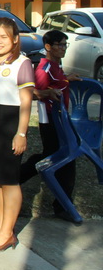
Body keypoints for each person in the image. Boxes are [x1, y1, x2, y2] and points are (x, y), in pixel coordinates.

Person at [0, 17, 34, 251]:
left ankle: (8, 232)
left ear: (15, 39)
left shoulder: (23, 63)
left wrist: (21, 133)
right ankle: (1, 227)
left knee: (10, 180)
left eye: (4, 37)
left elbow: (26, 102)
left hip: (11, 123)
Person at [20, 30, 81, 221]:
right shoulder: (44, 68)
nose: (63, 48)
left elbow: (56, 83)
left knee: (60, 158)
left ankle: (62, 205)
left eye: (65, 45)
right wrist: (46, 94)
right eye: (59, 45)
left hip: (61, 120)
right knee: (62, 158)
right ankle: (62, 207)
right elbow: (33, 91)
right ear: (48, 47)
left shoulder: (56, 66)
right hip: (50, 121)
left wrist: (66, 79)